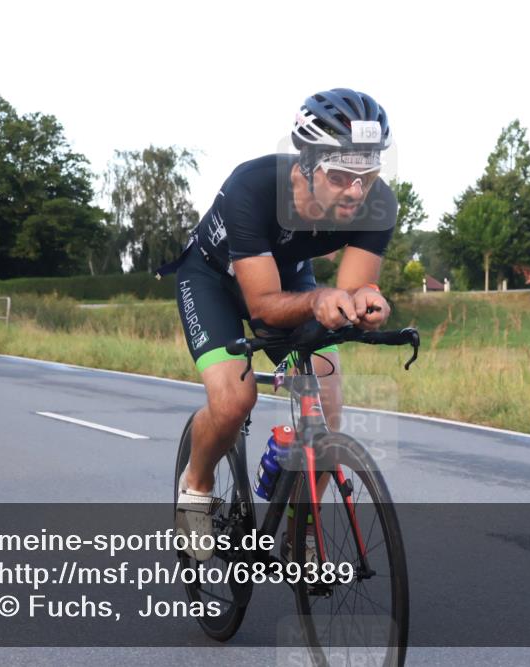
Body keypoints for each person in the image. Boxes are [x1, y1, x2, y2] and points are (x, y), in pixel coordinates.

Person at [159, 89, 397, 560]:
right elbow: (264, 307)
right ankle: (197, 483)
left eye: (367, 176)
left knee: (327, 406)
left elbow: (350, 291)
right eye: (340, 175)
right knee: (233, 401)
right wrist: (320, 300)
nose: (356, 190)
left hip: (289, 279)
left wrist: (366, 301)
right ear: (306, 164)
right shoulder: (253, 186)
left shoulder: (376, 203)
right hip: (214, 281)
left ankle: (300, 529)